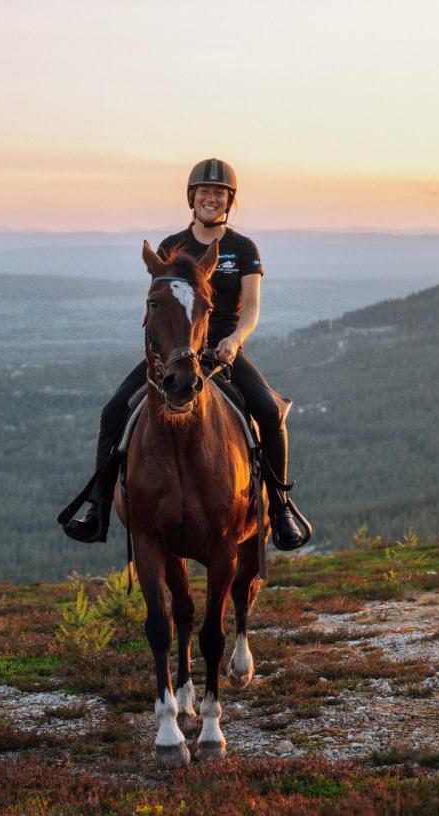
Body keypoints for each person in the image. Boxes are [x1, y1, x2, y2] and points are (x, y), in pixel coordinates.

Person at [61, 158, 312, 550]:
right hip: (174, 354)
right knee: (113, 410)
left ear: (229, 201)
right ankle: (97, 506)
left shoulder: (243, 248)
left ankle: (280, 507)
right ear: (192, 198)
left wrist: (233, 340)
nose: (211, 199)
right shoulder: (171, 247)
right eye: (204, 192)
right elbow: (158, 304)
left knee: (268, 409)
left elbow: (251, 307)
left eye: (219, 194)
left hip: (221, 352)